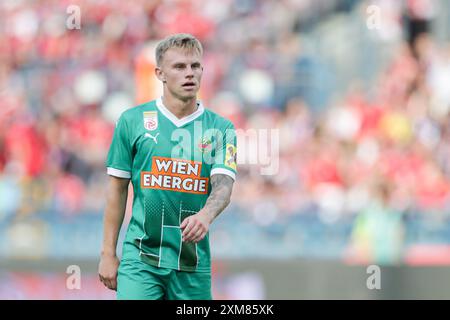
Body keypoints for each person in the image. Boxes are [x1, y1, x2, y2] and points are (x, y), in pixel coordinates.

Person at [98, 33, 237, 300]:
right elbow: (116, 191)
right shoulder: (132, 121)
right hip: (140, 259)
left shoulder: (221, 129)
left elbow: (224, 187)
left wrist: (205, 216)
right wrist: (107, 253)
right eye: (179, 67)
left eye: (195, 66)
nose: (189, 74)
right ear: (160, 74)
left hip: (192, 264)